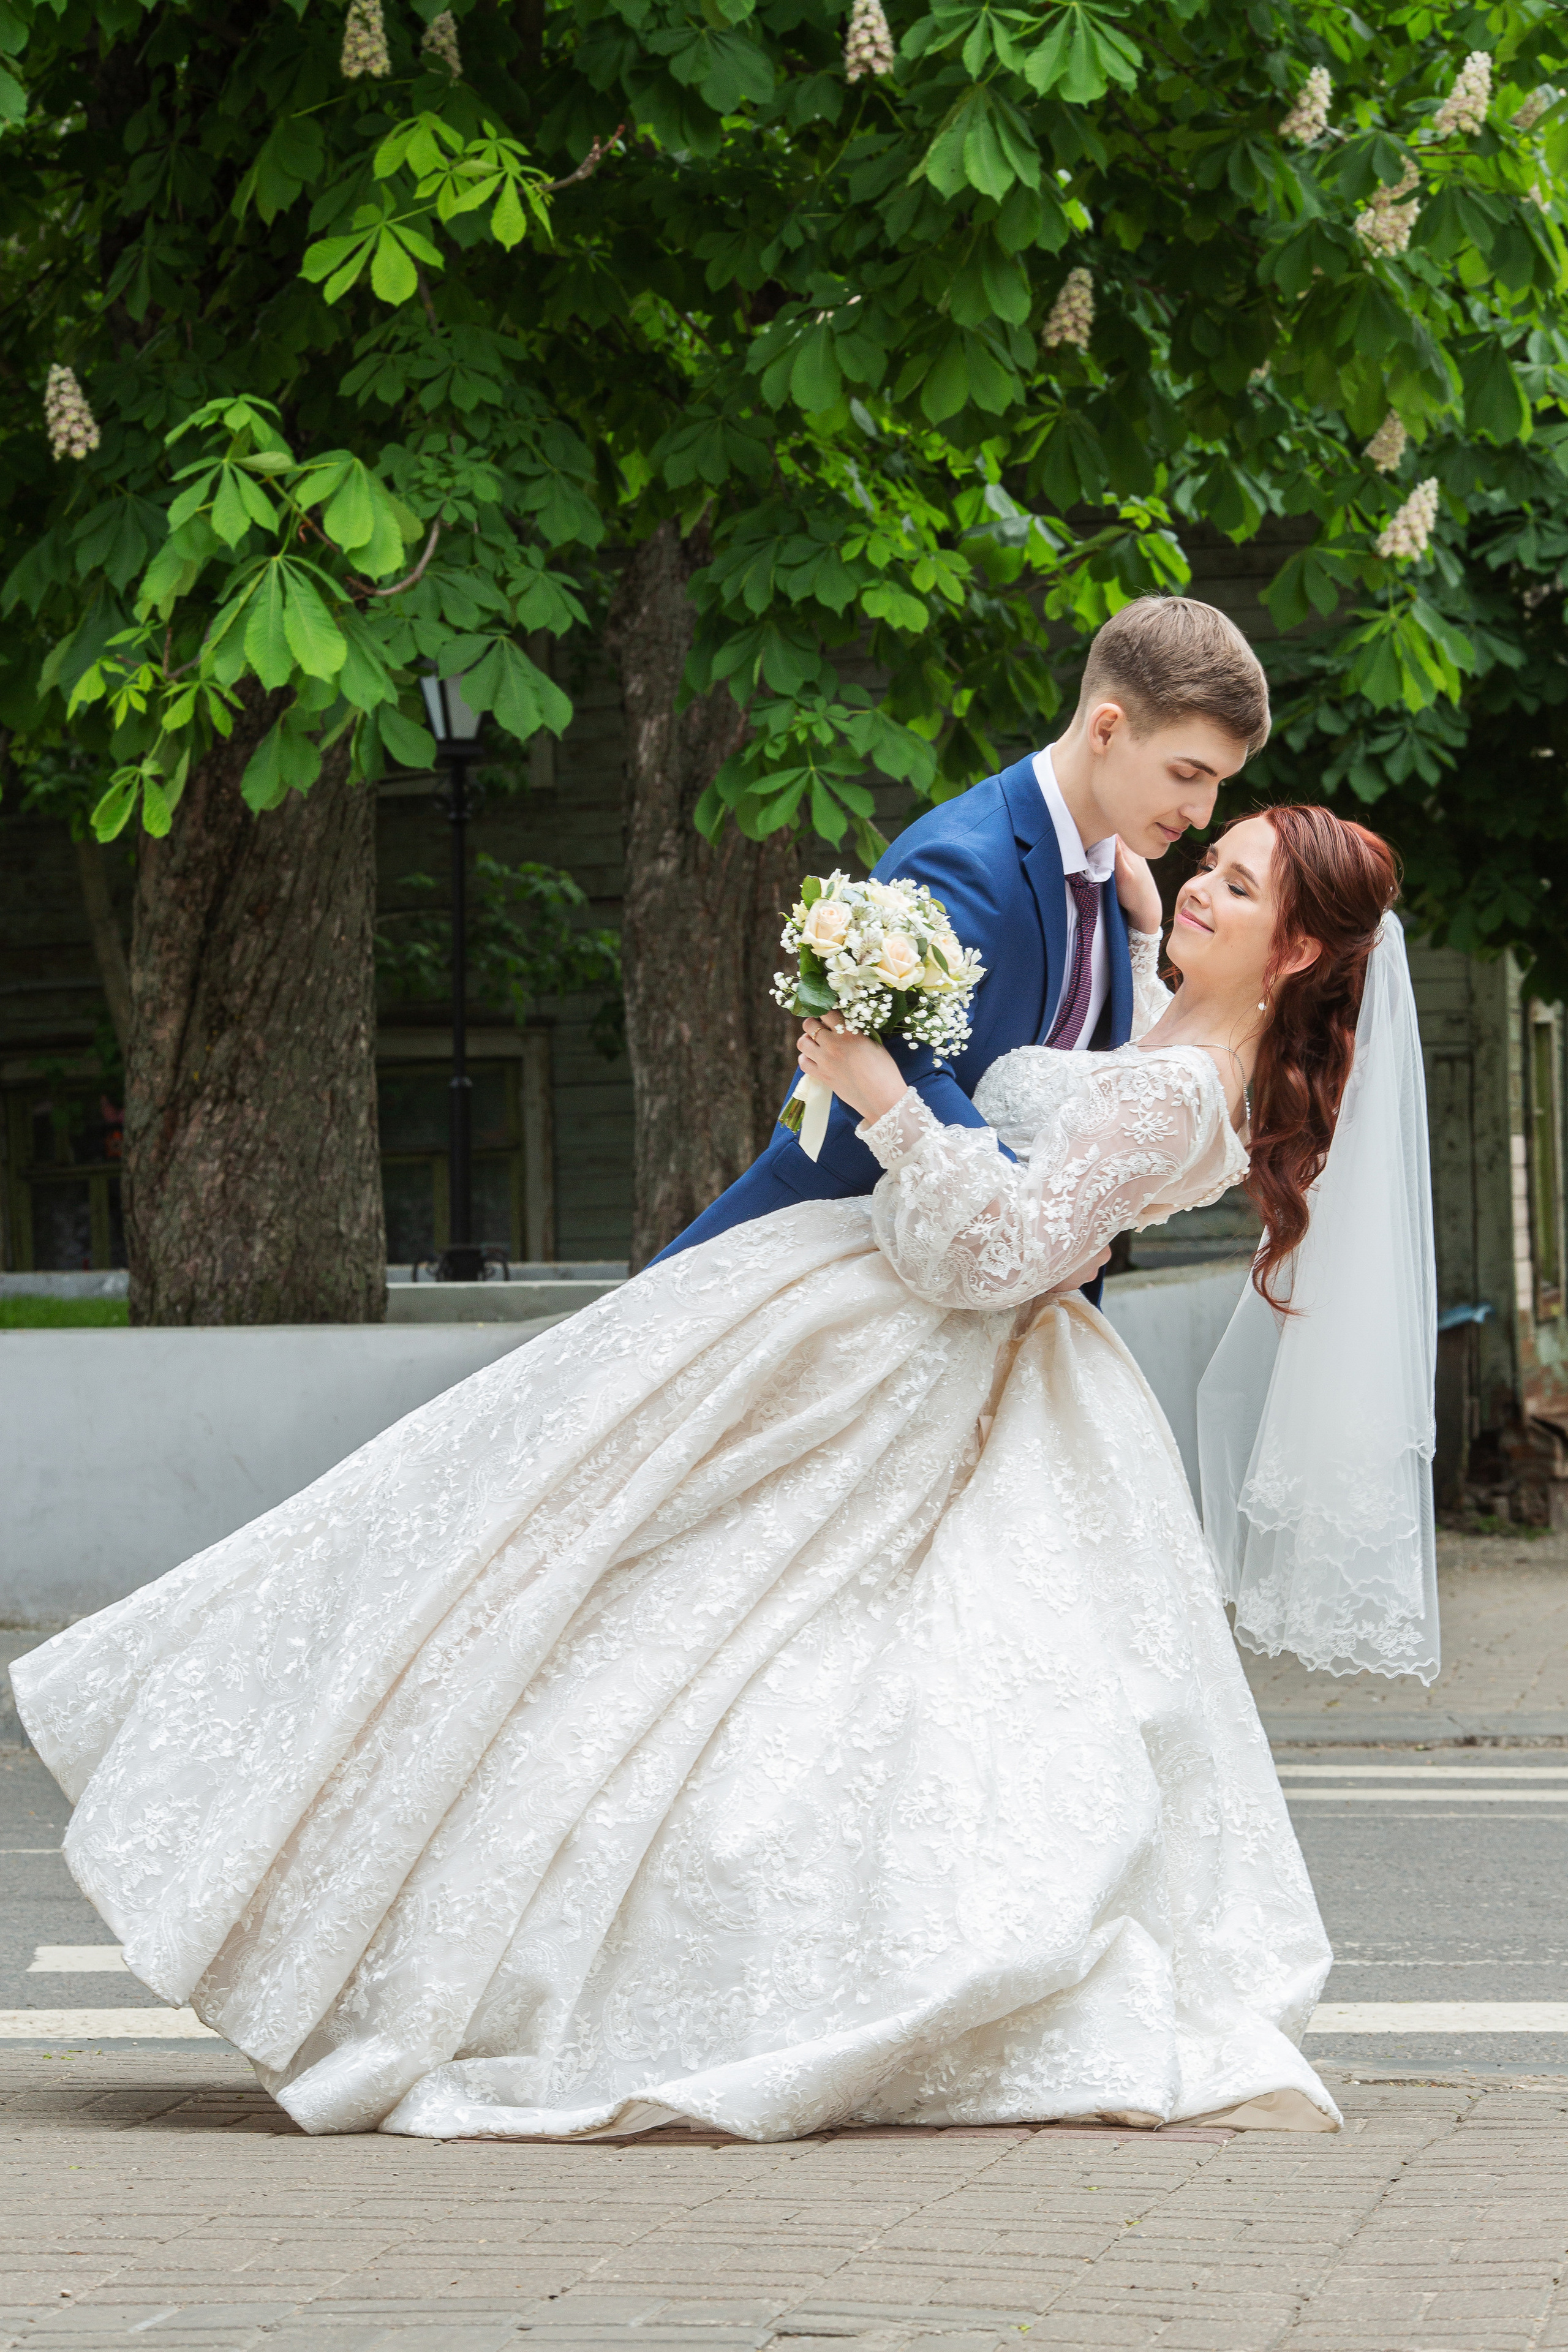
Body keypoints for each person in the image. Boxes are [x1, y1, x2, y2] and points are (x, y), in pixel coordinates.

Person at [10, 803, 1432, 2148]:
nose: (1199, 878)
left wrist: (880, 1093)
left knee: (718, 1645)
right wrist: (1130, 927)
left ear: (1296, 948)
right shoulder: (1175, 1028)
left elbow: (994, 1257)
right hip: (903, 1342)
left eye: (1235, 884)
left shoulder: (1182, 1089)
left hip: (944, 1360)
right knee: (625, 1589)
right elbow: (1102, 1081)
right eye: (1212, 856)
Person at [655, 593, 1270, 1264]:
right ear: (1106, 729)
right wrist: (1038, 1245)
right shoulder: (962, 861)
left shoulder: (1119, 890)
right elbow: (899, 1072)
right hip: (841, 1254)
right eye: (1188, 773)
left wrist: (1142, 936)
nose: (1204, 812)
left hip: (995, 1289)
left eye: (1218, 783)